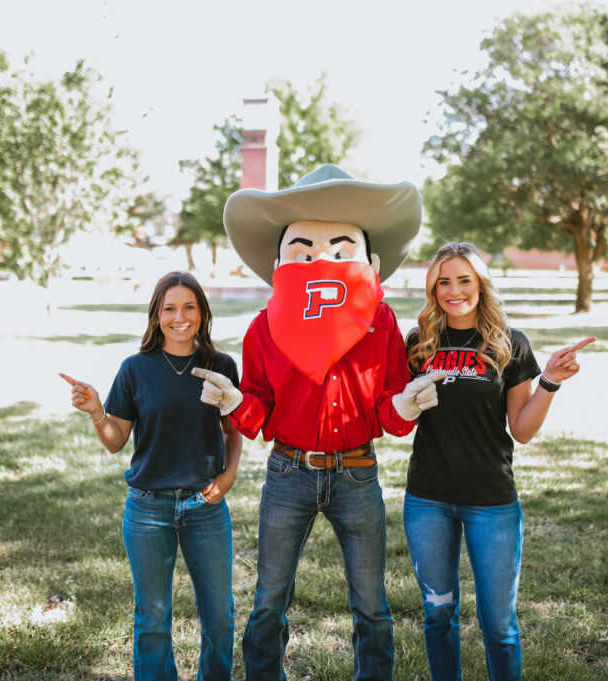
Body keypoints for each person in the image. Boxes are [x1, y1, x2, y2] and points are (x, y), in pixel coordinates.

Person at [193, 164, 446, 681]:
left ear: (370, 261)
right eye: (304, 249)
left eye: (338, 248)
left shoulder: (381, 320)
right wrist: (233, 402)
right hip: (288, 473)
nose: (321, 260)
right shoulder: (264, 327)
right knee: (269, 598)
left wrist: (404, 407)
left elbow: (387, 406)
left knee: (371, 602)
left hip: (356, 473)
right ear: (281, 259)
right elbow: (261, 412)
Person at [403, 242, 595, 681]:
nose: (454, 291)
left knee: (499, 626)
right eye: (443, 282)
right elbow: (397, 413)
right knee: (438, 615)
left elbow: (522, 430)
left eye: (464, 280)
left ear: (481, 284)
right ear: (433, 288)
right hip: (428, 499)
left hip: (491, 500)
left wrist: (548, 382)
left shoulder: (510, 343)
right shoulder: (419, 343)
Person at [60, 271, 242, 681]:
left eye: (189, 307)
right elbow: (115, 440)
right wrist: (96, 412)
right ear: (156, 316)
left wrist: (229, 475)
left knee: (220, 615)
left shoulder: (222, 365)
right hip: (147, 509)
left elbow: (234, 430)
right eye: (170, 308)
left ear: (202, 312)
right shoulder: (135, 369)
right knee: (153, 619)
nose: (180, 317)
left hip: (206, 506)